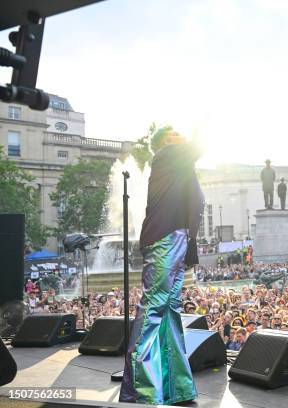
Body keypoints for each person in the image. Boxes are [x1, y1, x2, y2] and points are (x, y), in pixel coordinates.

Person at [120, 127, 204, 405]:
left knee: (170, 311)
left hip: (176, 238)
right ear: (167, 141)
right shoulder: (168, 154)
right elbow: (198, 145)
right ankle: (140, 392)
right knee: (155, 307)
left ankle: (176, 388)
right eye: (176, 133)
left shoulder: (178, 163)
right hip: (166, 237)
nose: (181, 135)